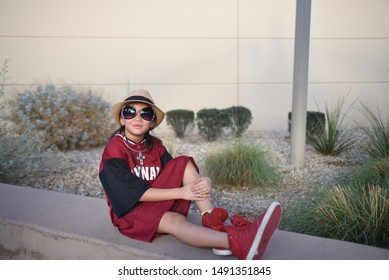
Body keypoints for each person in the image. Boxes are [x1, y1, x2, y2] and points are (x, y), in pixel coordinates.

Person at [99, 89, 282, 260]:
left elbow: (175, 172)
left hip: (154, 200)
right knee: (175, 220)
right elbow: (129, 192)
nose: (137, 118)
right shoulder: (114, 148)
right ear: (122, 119)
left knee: (183, 162)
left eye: (145, 113)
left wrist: (205, 181)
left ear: (152, 122)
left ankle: (211, 221)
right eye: (130, 112)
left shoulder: (154, 145)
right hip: (130, 210)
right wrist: (182, 193)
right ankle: (237, 241)